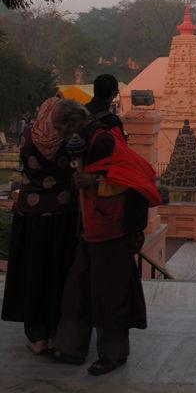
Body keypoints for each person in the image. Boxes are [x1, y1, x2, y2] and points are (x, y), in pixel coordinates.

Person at [53, 74, 161, 375]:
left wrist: (92, 180)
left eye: (61, 127)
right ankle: (72, 347)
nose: (59, 134)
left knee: (109, 293)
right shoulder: (82, 141)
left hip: (111, 228)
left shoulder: (101, 139)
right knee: (77, 288)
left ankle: (113, 353)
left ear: (74, 122)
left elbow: (123, 180)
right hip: (90, 228)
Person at [2, 96, 88, 355]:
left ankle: (37, 337)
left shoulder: (28, 136)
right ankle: (54, 332)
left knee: (33, 272)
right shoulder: (70, 140)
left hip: (31, 216)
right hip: (64, 215)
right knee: (58, 273)